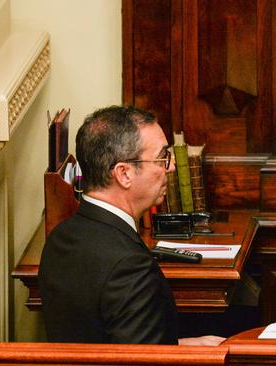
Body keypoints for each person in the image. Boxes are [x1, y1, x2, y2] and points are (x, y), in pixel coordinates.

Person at [39, 105, 224, 345]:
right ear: (124, 173)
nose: (171, 167)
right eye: (162, 158)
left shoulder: (61, 236)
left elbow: (103, 341)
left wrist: (182, 346)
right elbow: (141, 361)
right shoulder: (130, 267)